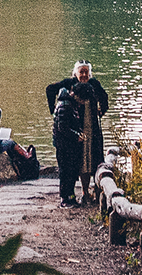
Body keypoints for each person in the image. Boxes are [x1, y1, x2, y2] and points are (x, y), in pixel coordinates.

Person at [45, 61, 110, 206]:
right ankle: (79, 193)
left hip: (92, 129)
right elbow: (50, 89)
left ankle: (95, 192)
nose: (84, 75)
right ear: (75, 73)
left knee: (94, 160)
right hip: (74, 131)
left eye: (86, 72)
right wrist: (53, 109)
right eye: (81, 72)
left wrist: (102, 110)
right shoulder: (69, 84)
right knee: (77, 162)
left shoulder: (93, 84)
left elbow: (104, 97)